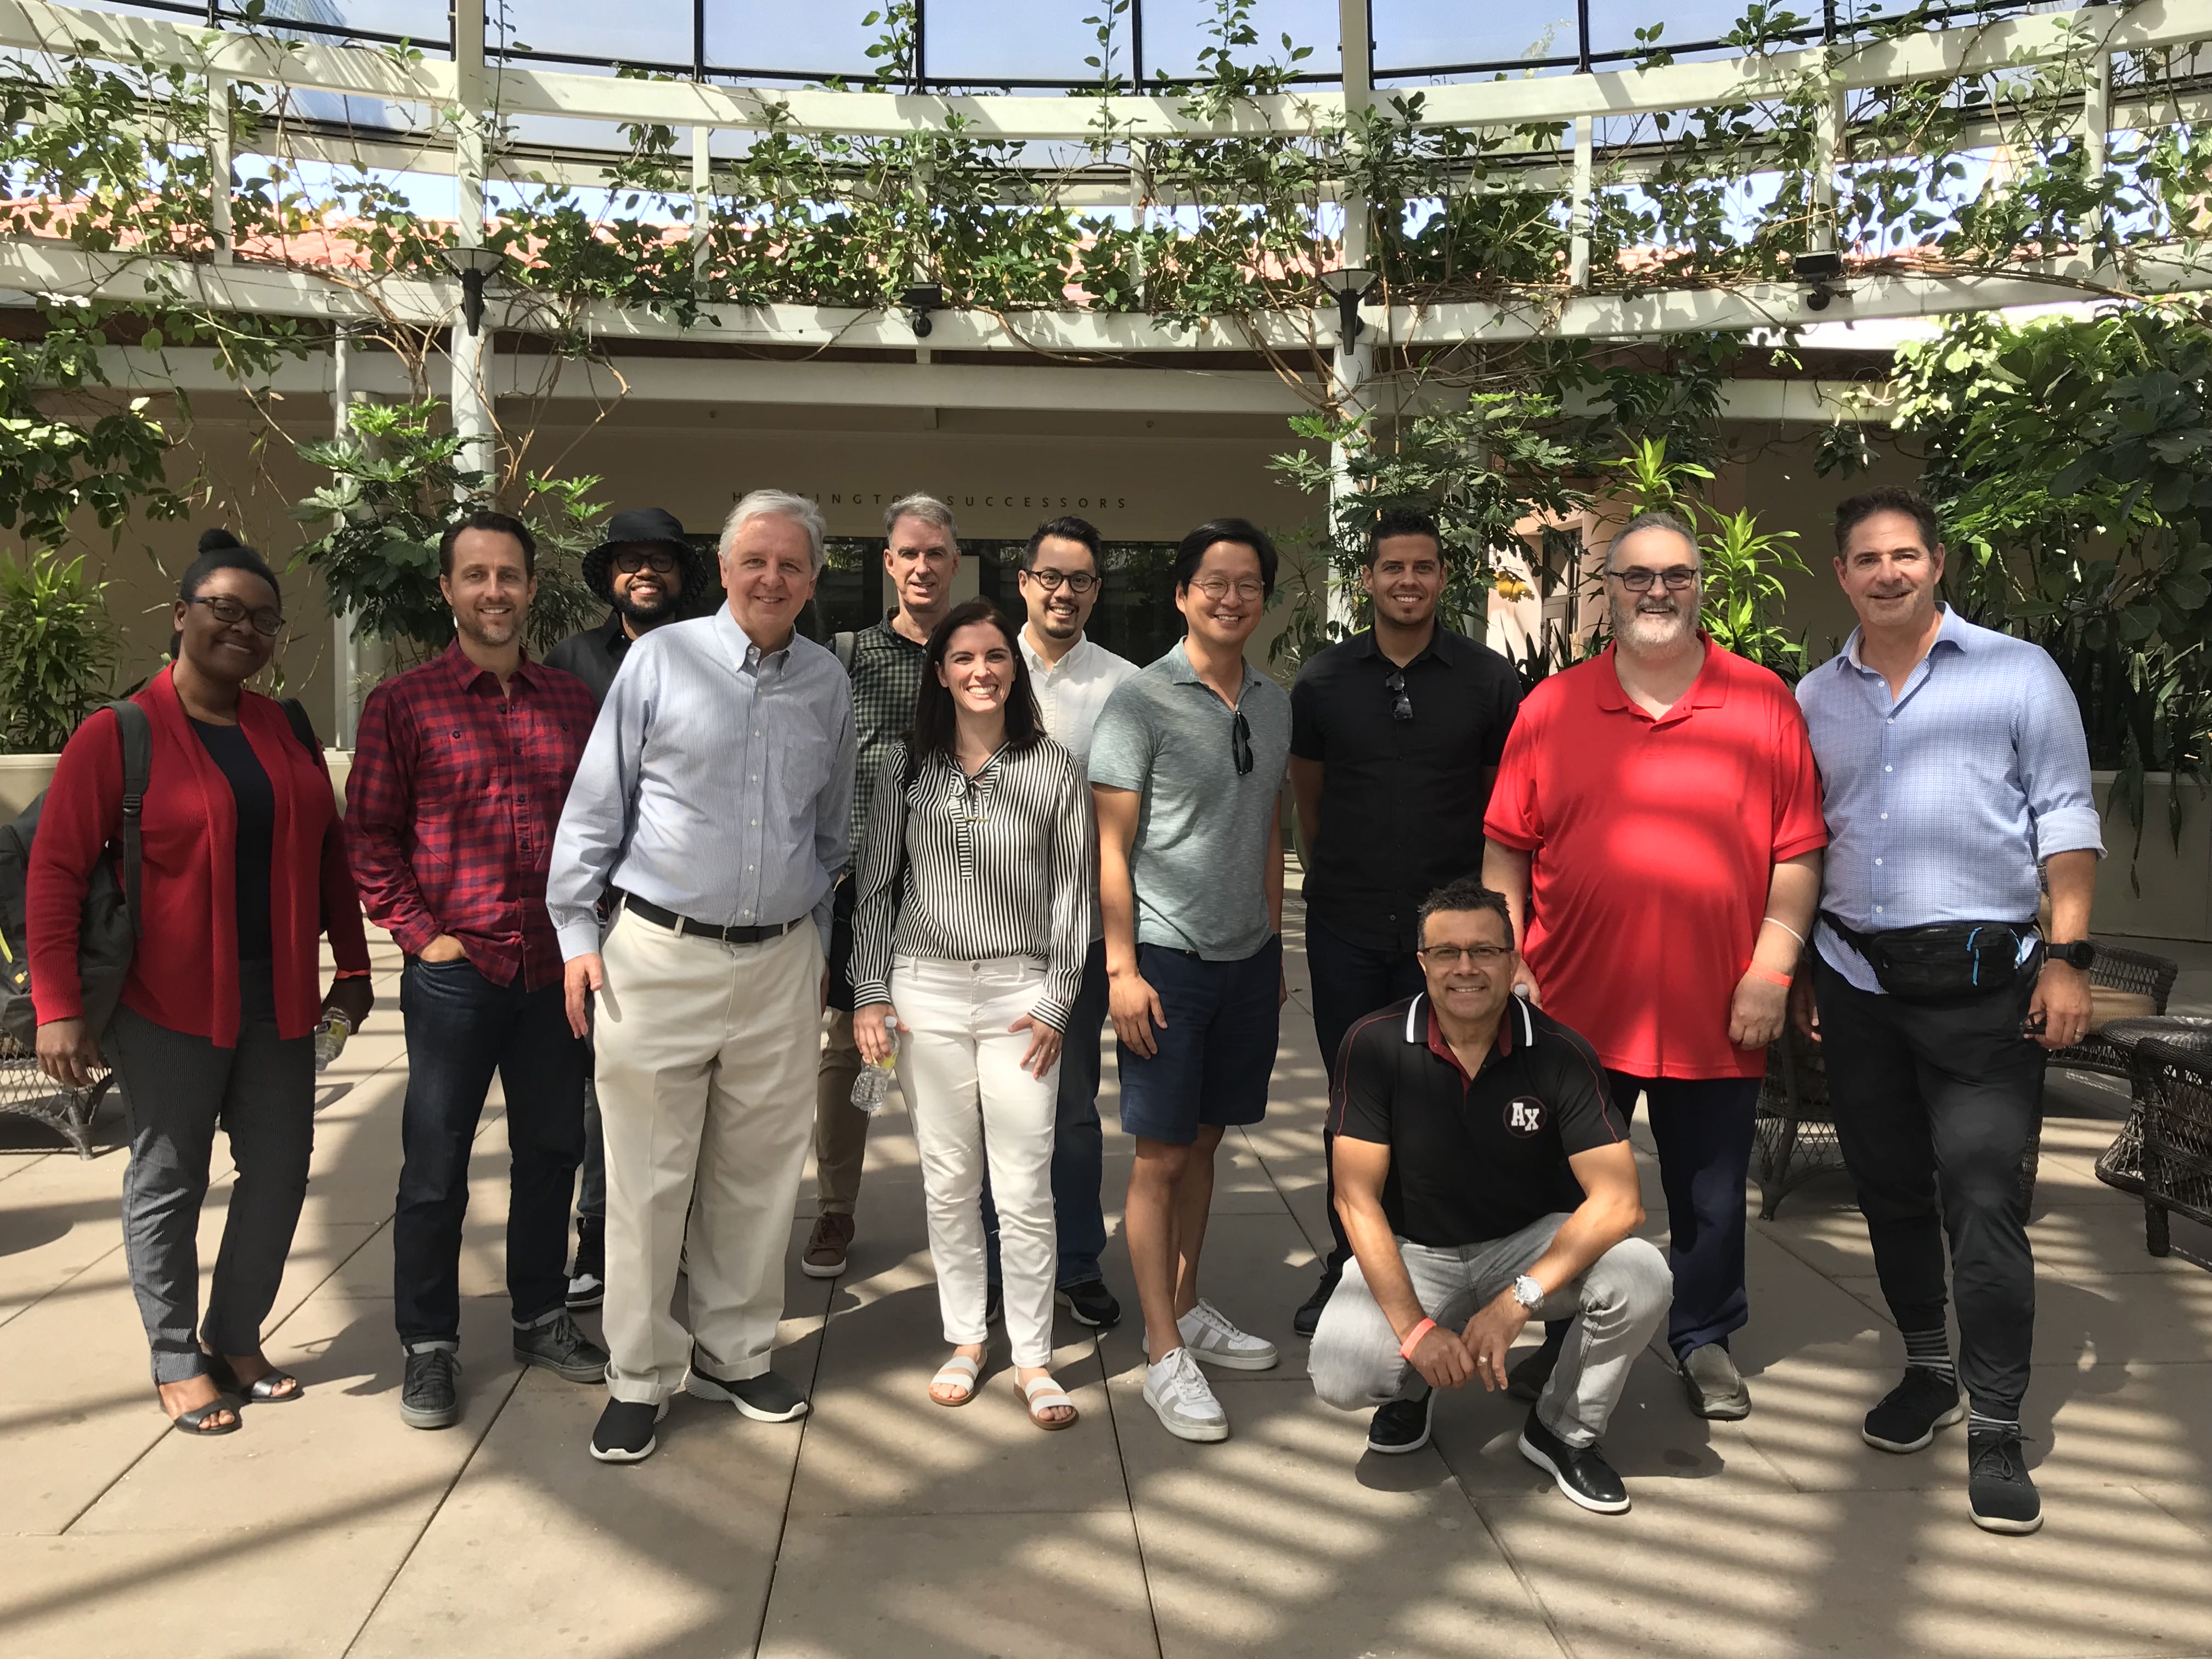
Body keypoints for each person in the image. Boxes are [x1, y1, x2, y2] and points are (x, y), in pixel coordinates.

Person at [1795, 485, 2102, 1537]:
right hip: (1857, 981)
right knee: (1885, 1187)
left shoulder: (2018, 673)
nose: (1887, 572)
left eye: (1905, 556)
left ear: (1937, 564)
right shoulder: (1812, 696)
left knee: (1981, 1197)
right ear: (1841, 574)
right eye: (1866, 559)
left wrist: (2066, 957)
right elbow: (1801, 842)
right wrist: (1799, 970)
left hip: (1988, 988)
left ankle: (1999, 1419)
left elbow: (2065, 813)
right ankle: (1927, 1365)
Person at [1482, 510, 1826, 1423]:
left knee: (1710, 1191)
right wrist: (1509, 959)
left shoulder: (1761, 701)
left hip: (1719, 1006)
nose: (1656, 591)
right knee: (1564, 1189)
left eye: (1674, 573)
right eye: (1636, 575)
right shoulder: (1551, 706)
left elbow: (1796, 855)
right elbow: (1504, 851)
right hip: (1574, 1007)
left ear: (1700, 582)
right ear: (1608, 588)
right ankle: (1560, 1333)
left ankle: (1704, 1335)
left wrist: (1772, 969)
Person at [30, 529, 375, 1436]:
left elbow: (330, 857)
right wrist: (59, 1006)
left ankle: (236, 1332)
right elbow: (56, 872)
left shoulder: (283, 726)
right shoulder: (122, 732)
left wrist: (353, 964)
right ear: (182, 614)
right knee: (170, 1174)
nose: (244, 628)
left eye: (262, 617)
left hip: (282, 998)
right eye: (224, 608)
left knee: (280, 1169)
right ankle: (176, 1351)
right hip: (167, 1003)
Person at [550, 489, 855, 1465]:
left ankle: (735, 1349)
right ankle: (640, 1375)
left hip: (778, 958)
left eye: (793, 565)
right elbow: (599, 802)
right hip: (657, 953)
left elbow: (833, 829)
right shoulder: (660, 659)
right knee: (644, 1179)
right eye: (755, 560)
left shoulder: (826, 681)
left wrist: (808, 937)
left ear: (812, 580)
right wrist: (573, 930)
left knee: (758, 1176)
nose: (773, 578)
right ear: (721, 570)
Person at [347, 510, 608, 1431]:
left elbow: (607, 828)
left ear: (532, 587)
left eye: (509, 574)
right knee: (435, 1164)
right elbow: (369, 831)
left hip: (553, 971)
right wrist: (419, 933)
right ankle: (428, 1341)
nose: (493, 591)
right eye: (475, 575)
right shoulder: (403, 703)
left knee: (550, 1150)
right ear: (448, 590)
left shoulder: (573, 703)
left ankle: (540, 1315)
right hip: (458, 970)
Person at [1310, 878, 1670, 1514]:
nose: (1466, 968)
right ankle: (1414, 1388)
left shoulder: (1561, 1053)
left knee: (1641, 1275)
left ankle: (1563, 1431)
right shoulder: (1372, 1045)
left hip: (1525, 1246)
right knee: (1340, 1372)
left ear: (1513, 960)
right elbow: (1355, 1200)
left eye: (1485, 951)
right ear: (1422, 964)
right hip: (1417, 1249)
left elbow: (1621, 1202)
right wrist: (1415, 1331)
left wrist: (1517, 1300)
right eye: (1446, 953)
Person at [850, 600, 1094, 1429]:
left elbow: (1074, 896)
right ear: (940, 672)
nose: (982, 671)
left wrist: (1060, 998)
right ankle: (965, 1339)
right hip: (926, 995)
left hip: (1025, 998)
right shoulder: (902, 770)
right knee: (950, 1182)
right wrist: (870, 993)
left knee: (1024, 1186)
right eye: (963, 658)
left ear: (1013, 669)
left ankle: (1032, 1356)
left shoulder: (1055, 768)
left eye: (996, 656)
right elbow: (876, 889)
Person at [1288, 506, 1522, 1338]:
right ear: (1369, 580)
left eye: (1424, 567)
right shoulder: (1321, 684)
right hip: (1349, 925)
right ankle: (1350, 1266)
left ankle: (1449, 1263)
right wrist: (1342, 880)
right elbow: (1309, 805)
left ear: (1443, 579)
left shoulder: (1491, 683)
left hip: (1454, 942)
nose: (1409, 581)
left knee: (1452, 1098)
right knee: (1356, 1107)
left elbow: (1506, 812)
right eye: (1394, 568)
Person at [1090, 517, 1293, 1443]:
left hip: (1245, 958)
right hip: (1165, 959)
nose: (1229, 596)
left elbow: (1270, 828)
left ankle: (1191, 1300)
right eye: (1212, 581)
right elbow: (1111, 846)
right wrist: (1121, 968)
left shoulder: (1274, 700)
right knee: (1161, 1152)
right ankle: (1161, 1347)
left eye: (1247, 582)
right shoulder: (1140, 700)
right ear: (1180, 593)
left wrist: (1273, 939)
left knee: (1209, 1140)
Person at [976, 516, 1139, 1331]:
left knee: (1071, 1109)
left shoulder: (1124, 684)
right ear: (1024, 581)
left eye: (1080, 580)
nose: (1064, 592)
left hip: (1072, 938)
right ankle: (997, 1263)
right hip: (981, 934)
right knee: (991, 1109)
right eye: (1050, 576)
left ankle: (1074, 1262)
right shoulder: (978, 663)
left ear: (1096, 590)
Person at [544, 507, 707, 1312]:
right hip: (599, 912)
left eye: (662, 561)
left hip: (684, 913)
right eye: (630, 561)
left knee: (693, 1095)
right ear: (609, 574)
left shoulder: (713, 654)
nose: (647, 573)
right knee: (603, 1095)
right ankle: (599, 1249)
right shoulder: (571, 661)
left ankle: (681, 1243)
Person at [806, 493, 961, 1280]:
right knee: (857, 1051)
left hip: (959, 890)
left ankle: (962, 1215)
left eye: (937, 553)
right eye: (910, 553)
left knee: (947, 1048)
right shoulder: (846, 652)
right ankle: (836, 1207)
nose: (923, 566)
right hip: (864, 886)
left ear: (953, 563)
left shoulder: (976, 652)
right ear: (889, 563)